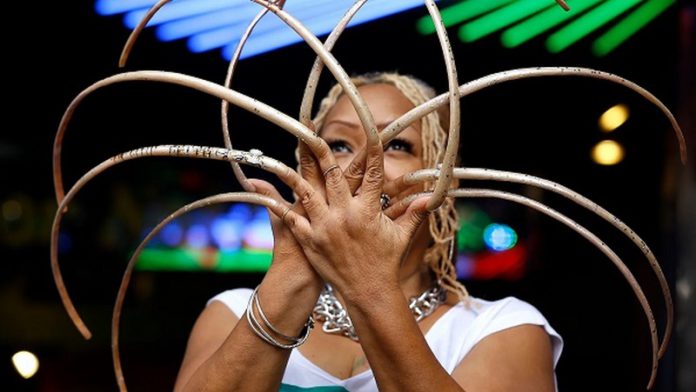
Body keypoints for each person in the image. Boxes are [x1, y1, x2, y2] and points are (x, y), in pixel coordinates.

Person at [173, 72, 563, 392]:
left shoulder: (500, 328)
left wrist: (366, 282)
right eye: (339, 144)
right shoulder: (233, 313)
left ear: (445, 182)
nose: (361, 166)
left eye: (395, 144)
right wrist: (291, 281)